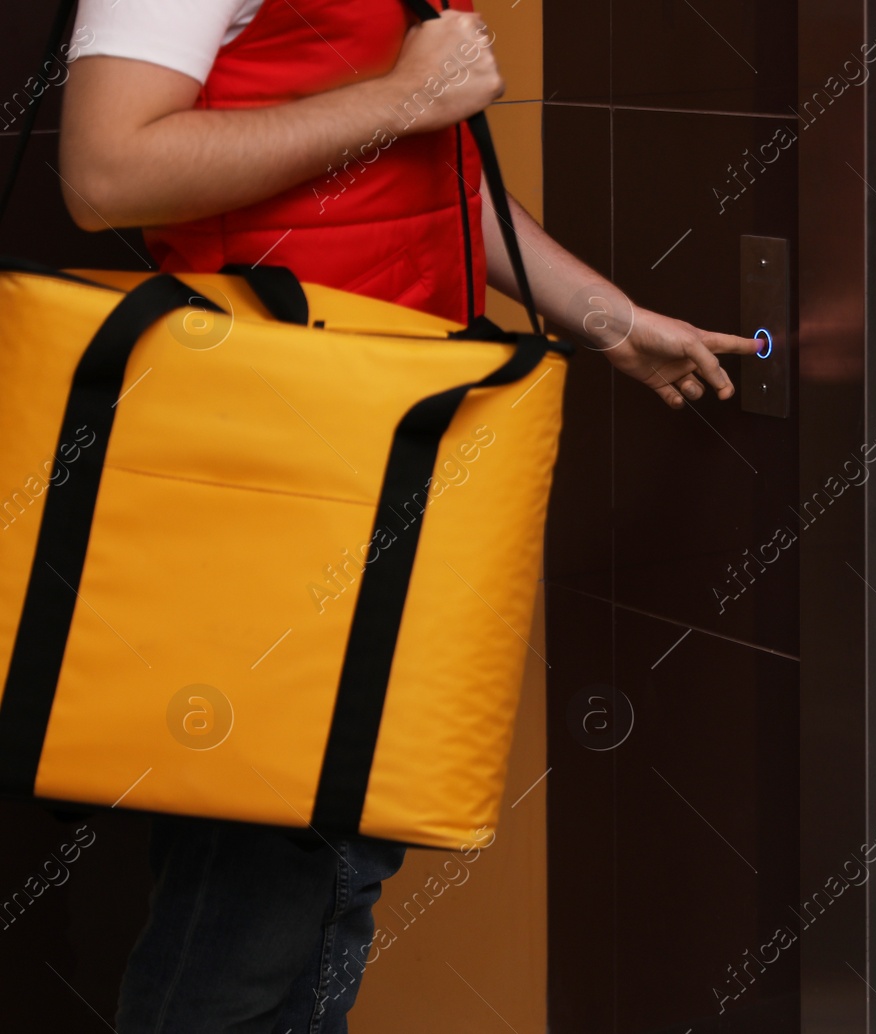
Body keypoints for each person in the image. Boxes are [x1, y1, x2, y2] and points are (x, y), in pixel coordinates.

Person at [58, 1, 756, 1030]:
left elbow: (425, 182)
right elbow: (106, 171)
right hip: (271, 465)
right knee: (265, 878)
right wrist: (399, 96)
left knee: (338, 862)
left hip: (393, 446)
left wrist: (608, 320)